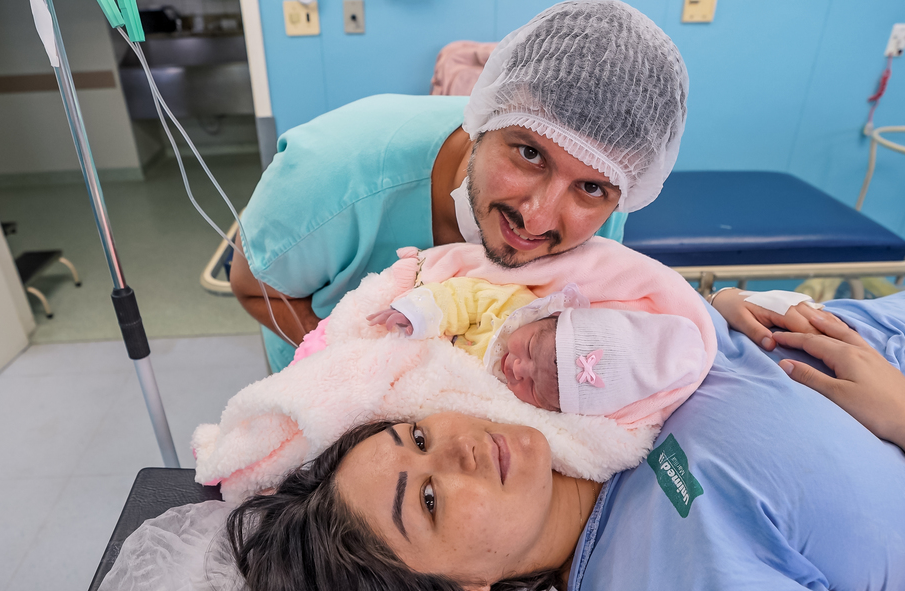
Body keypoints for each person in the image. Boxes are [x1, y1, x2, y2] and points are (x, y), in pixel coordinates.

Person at [226, 289, 905, 591]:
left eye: (421, 435)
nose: (457, 449)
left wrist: (713, 311)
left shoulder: (568, 402)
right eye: (427, 499)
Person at [228, 0, 689, 372]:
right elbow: (253, 286)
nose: (537, 220)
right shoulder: (331, 173)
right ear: (486, 115)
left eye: (590, 188)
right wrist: (355, 370)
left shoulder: (601, 213)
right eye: (530, 155)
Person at [368, 278, 707, 415]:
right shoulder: (512, 309)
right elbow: (463, 297)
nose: (518, 368)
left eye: (534, 388)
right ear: (549, 316)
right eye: (530, 347)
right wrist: (419, 315)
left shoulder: (521, 412)